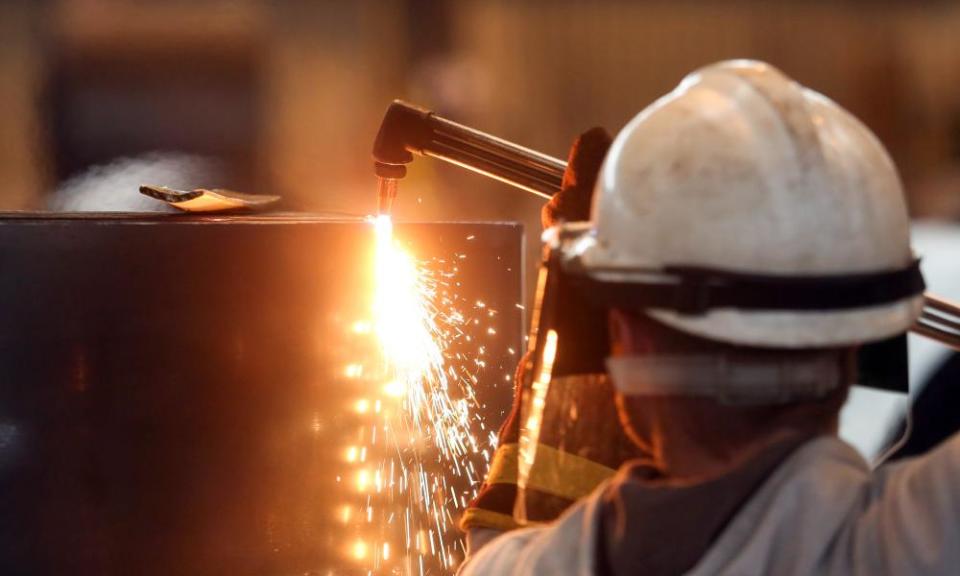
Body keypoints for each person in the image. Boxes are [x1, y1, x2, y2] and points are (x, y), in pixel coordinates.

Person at [458, 60, 959, 575]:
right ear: (855, 340)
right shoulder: (921, 540)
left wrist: (574, 397)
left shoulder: (534, 567)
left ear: (622, 336)